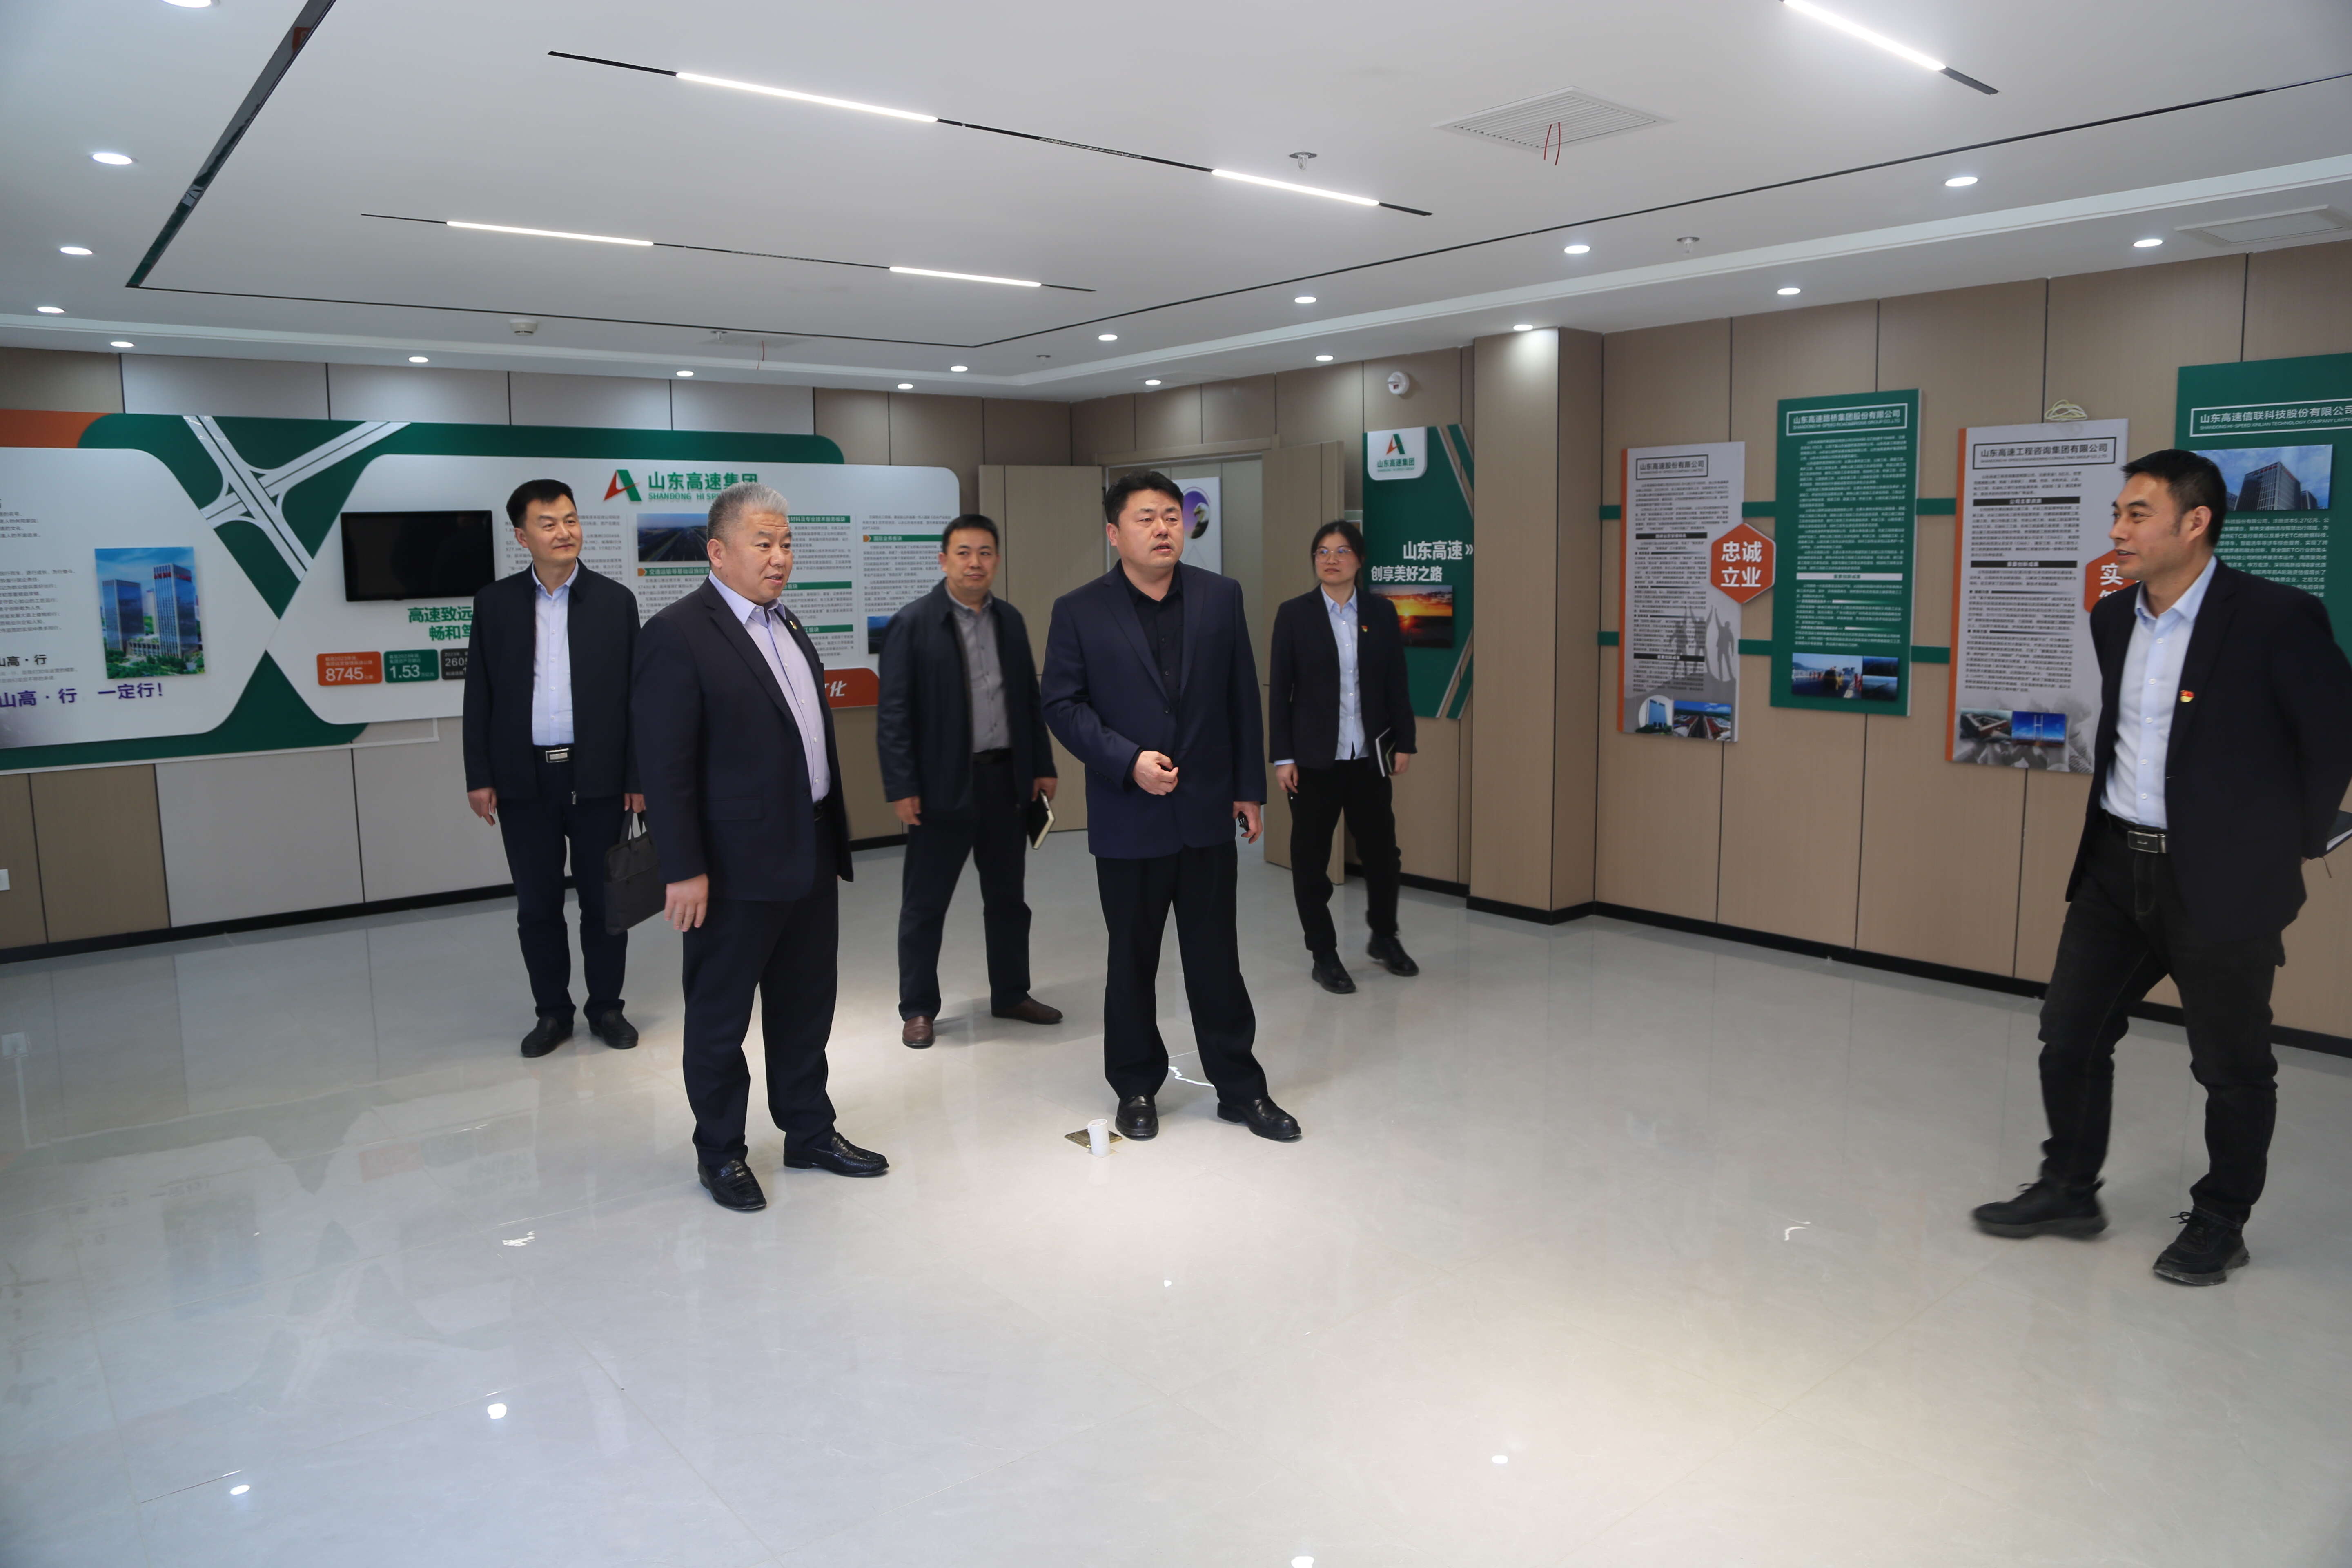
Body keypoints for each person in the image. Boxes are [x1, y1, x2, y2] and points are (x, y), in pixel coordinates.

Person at [1972, 449, 2352, 1285]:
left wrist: (2286, 841)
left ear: (2196, 522)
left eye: (2136, 514)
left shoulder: (2277, 617)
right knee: (2069, 1034)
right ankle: (2070, 1190)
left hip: (2221, 881)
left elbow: (2333, 740)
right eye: (2118, 513)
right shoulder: (2114, 617)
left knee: (2230, 1066)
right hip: (2116, 867)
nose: (2117, 530)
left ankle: (2221, 1220)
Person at [633, 481, 887, 1212]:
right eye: (764, 544)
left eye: (787, 544)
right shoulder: (678, 634)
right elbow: (666, 767)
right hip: (730, 868)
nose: (780, 558)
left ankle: (808, 1130)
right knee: (721, 1019)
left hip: (808, 848)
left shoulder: (787, 622)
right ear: (718, 553)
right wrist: (684, 868)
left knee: (805, 1005)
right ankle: (721, 1152)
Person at [1040, 472, 1299, 1144]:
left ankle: (1241, 1088)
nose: (1163, 529)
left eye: (1171, 517)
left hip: (1206, 810)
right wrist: (1127, 760)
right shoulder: (1079, 609)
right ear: (1113, 532)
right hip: (1129, 815)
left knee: (1216, 958)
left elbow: (1241, 695)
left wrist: (1248, 788)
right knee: (1132, 960)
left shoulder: (1220, 596)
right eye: (1146, 518)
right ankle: (1135, 1086)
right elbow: (1062, 705)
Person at [462, 479, 644, 1059]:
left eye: (570, 520)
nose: (564, 532)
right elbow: (479, 695)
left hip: (599, 779)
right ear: (522, 537)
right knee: (537, 906)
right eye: (548, 524)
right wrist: (479, 775)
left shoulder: (615, 602)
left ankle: (606, 1007)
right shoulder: (495, 604)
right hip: (524, 780)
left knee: (604, 904)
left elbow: (636, 699)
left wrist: (637, 778)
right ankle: (552, 1012)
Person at [876, 513, 1062, 1047]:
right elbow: (894, 714)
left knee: (1009, 900)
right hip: (941, 788)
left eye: (984, 553)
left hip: (1006, 783)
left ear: (996, 561)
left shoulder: (1011, 621)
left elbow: (1028, 699)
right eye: (963, 553)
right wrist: (901, 786)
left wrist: (1043, 764)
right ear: (944, 560)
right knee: (925, 905)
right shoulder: (913, 623)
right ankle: (918, 1008)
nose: (974, 563)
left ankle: (1011, 994)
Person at [1268, 519, 1418, 994]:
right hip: (1313, 761)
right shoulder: (1294, 614)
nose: (1331, 560)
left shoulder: (1381, 612)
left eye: (1342, 551)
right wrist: (1282, 757)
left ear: (1360, 559)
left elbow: (1396, 681)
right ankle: (1324, 953)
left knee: (1383, 856)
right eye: (1322, 552)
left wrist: (1405, 741)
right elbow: (1280, 691)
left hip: (1368, 757)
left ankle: (1384, 937)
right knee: (1311, 860)